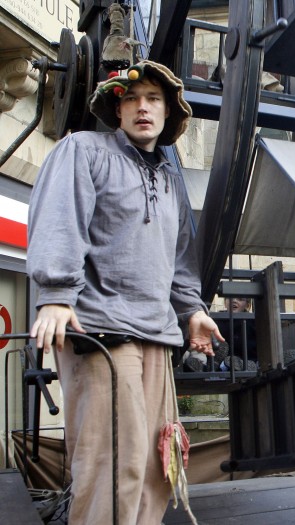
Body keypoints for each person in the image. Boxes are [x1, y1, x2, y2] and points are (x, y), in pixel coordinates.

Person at [27, 60, 224, 524]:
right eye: (132, 99)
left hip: (156, 333)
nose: (142, 108)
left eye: (153, 99)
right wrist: (55, 293)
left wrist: (192, 311)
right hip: (102, 330)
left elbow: (180, 260)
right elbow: (59, 216)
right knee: (116, 464)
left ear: (167, 111)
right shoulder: (83, 150)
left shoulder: (171, 180)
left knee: (159, 463)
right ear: (118, 110)